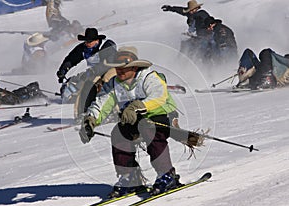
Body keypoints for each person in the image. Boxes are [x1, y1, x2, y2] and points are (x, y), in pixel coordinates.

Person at [78, 46, 201, 197]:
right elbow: (102, 103)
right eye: (117, 68)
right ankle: (129, 177)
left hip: (161, 114)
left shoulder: (149, 77)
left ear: (134, 67)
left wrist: (138, 107)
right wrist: (90, 120)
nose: (120, 71)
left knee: (149, 128)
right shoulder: (114, 84)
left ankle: (166, 174)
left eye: (124, 68)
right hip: (136, 118)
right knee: (118, 133)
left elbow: (159, 97)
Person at [56, 27, 117, 118]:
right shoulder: (84, 48)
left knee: (101, 85)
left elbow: (108, 63)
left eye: (89, 41)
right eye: (86, 41)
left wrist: (94, 71)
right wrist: (63, 70)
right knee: (84, 86)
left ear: (97, 40)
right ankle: (83, 113)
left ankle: (113, 111)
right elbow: (71, 59)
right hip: (94, 73)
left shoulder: (107, 46)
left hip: (112, 70)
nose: (87, 44)